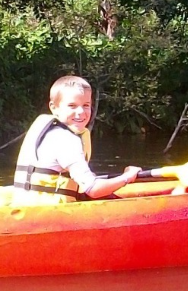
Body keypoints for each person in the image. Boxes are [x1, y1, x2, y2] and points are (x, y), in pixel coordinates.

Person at [12, 75, 141, 205]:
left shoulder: (50, 132)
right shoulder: (66, 140)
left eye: (86, 105)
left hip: (25, 204)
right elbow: (93, 190)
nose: (80, 112)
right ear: (54, 107)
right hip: (49, 213)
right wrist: (127, 177)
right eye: (72, 105)